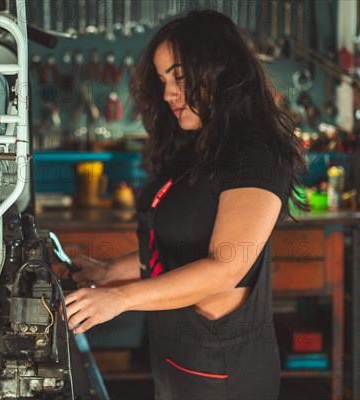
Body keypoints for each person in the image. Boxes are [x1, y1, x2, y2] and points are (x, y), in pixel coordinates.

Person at [63, 10, 308, 400]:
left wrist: (120, 298)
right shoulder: (196, 149)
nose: (167, 94)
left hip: (222, 364)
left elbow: (225, 268)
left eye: (178, 76)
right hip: (176, 353)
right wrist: (109, 272)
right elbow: (172, 246)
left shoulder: (256, 156)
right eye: (163, 80)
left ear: (220, 69)